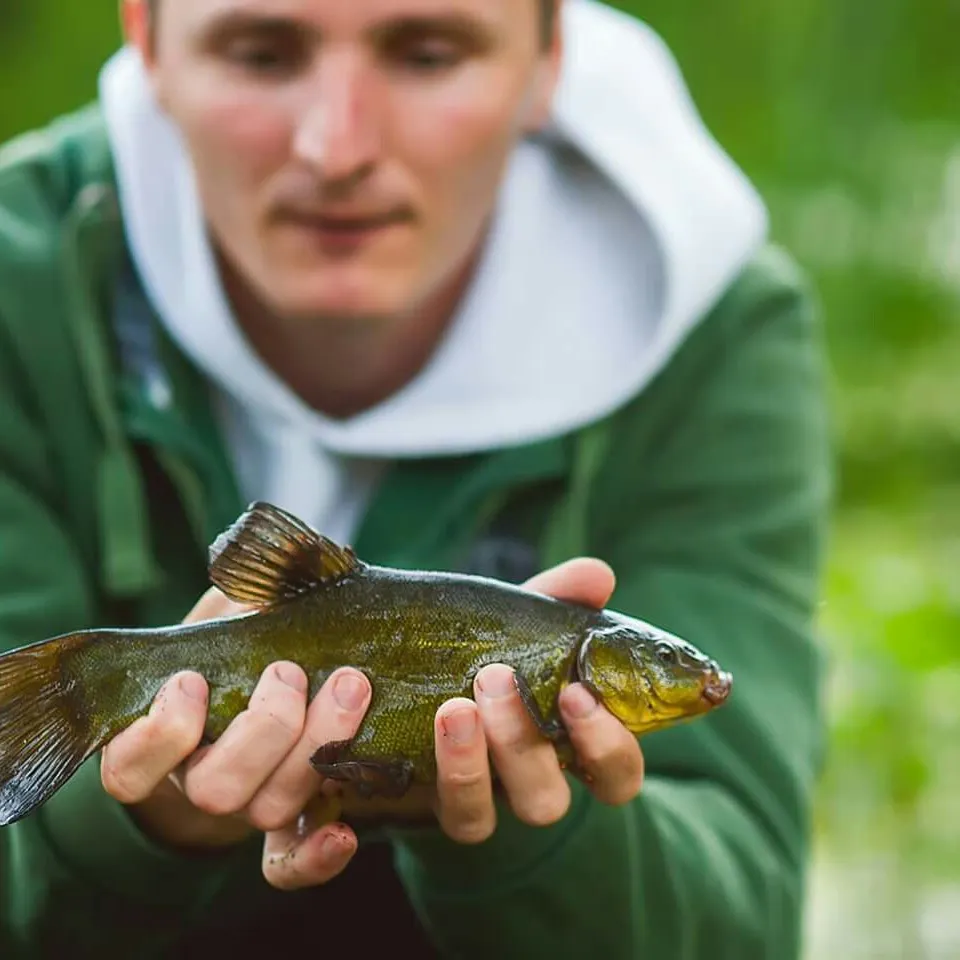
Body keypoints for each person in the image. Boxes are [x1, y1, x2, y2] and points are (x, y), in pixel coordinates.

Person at [0, 0, 832, 956]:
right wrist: (146, 822)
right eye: (263, 53)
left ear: (549, 51)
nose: (336, 145)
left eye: (429, 53)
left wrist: (528, 831)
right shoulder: (18, 282)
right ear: (144, 37)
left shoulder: (718, 324)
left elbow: (742, 919)